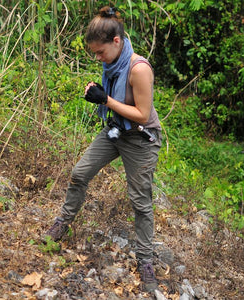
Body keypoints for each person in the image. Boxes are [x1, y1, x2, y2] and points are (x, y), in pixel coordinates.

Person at [44, 7, 162, 292]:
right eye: (94, 54)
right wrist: (97, 92)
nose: (98, 58)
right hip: (113, 131)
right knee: (79, 173)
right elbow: (112, 97)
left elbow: (143, 114)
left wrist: (106, 99)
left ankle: (145, 260)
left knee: (140, 201)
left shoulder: (139, 68)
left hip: (140, 138)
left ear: (117, 42)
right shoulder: (113, 63)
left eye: (100, 52)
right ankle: (61, 224)